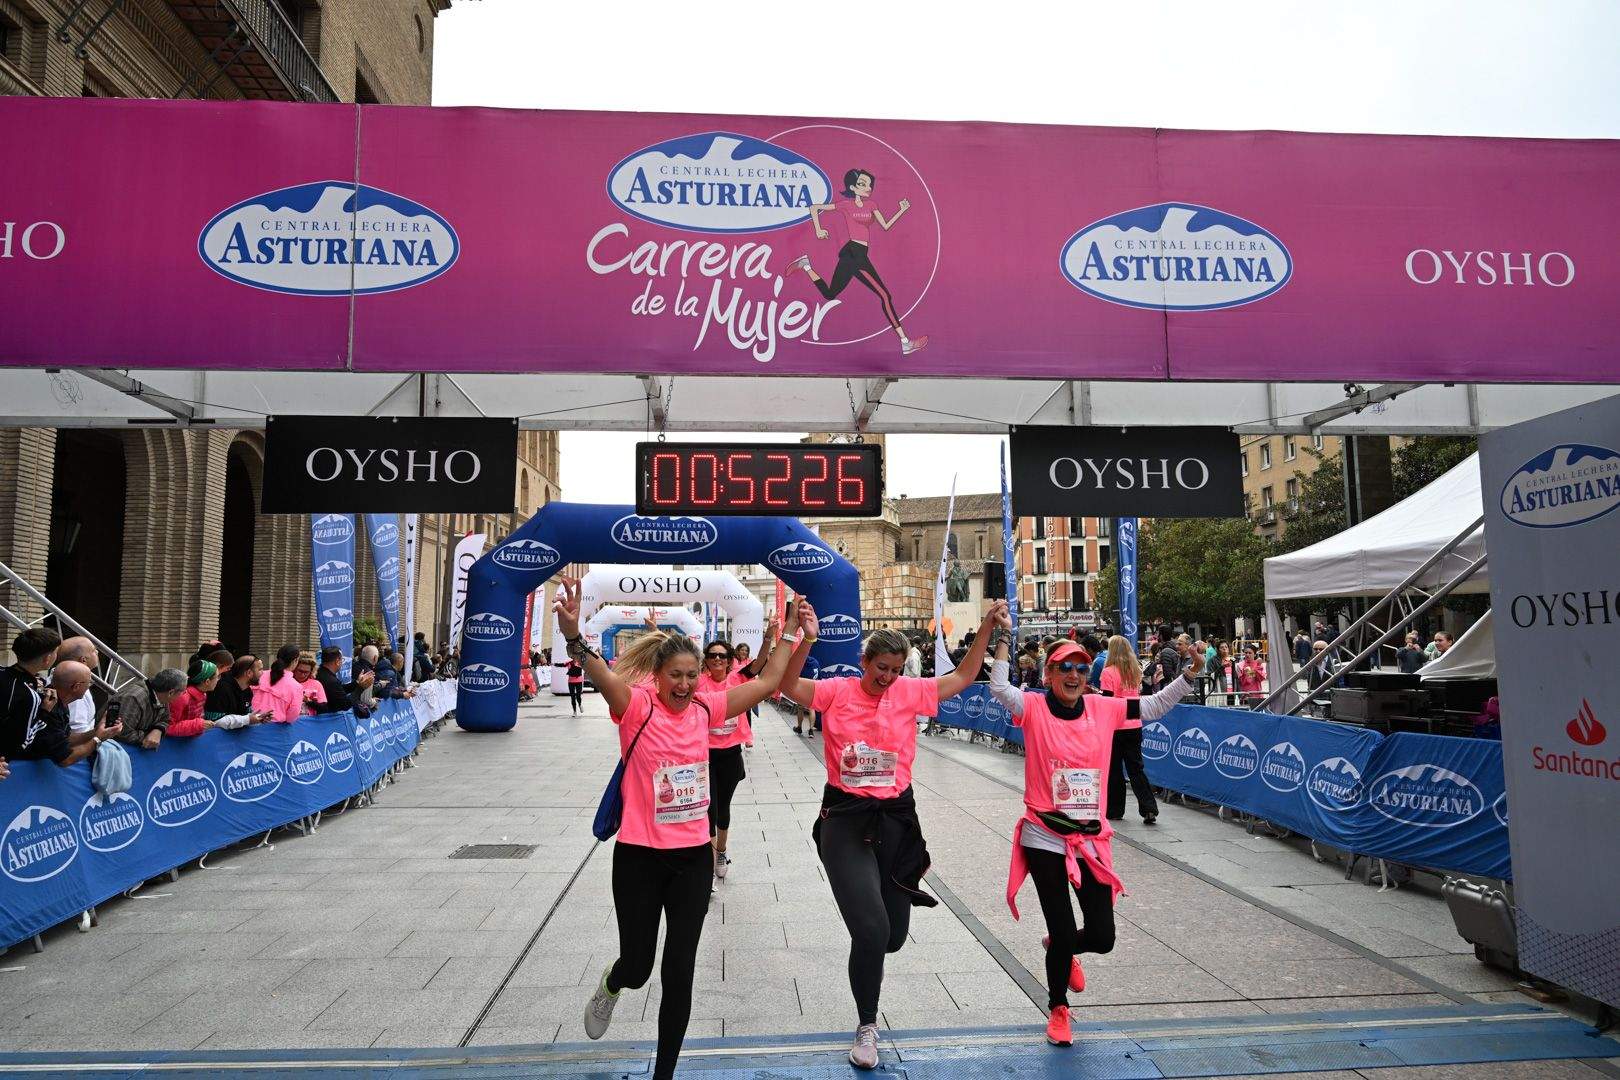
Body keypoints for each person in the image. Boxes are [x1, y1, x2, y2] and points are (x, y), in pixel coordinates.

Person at [560, 579, 813, 1080]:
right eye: (675, 675)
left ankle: (665, 1074)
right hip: (638, 857)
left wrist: (789, 632)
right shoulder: (635, 705)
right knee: (639, 966)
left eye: (692, 676)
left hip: (693, 858)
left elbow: (768, 683)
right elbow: (599, 671)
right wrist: (573, 635)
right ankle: (612, 983)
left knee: (679, 971)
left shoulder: (706, 707)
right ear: (656, 675)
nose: (684, 685)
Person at [778, 603, 1004, 1070]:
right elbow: (788, 686)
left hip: (896, 820)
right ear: (865, 661)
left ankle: (867, 948)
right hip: (845, 819)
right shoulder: (837, 691)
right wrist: (806, 638)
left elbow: (964, 676)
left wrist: (985, 626)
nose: (888, 677)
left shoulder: (909, 692)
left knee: (893, 938)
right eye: (881, 667)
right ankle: (867, 1026)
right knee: (872, 928)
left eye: (896, 670)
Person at [989, 614, 1201, 1046]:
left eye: (1081, 668)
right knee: (1065, 928)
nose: (1074, 675)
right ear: (1049, 675)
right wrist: (1005, 638)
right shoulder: (1033, 707)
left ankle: (1059, 946)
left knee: (1102, 937)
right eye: (1064, 668)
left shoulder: (1104, 708)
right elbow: (998, 688)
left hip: (1090, 838)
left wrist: (1189, 675)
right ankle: (1058, 1008)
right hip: (1045, 834)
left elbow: (1152, 706)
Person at [785, 167, 928, 356]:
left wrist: (901, 210)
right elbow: (814, 208)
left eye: (869, 185)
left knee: (830, 294)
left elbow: (885, 226)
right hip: (854, 253)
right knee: (885, 296)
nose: (868, 188)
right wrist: (818, 229)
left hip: (857, 255)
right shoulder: (846, 205)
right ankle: (905, 342)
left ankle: (806, 266)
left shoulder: (872, 205)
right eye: (862, 184)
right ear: (852, 187)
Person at [699, 629, 777, 882]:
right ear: (706, 659)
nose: (717, 659)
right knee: (709, 810)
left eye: (722, 656)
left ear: (729, 660)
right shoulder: (698, 682)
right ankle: (709, 865)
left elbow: (760, 663)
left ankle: (721, 852)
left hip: (731, 754)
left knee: (723, 808)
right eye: (712, 655)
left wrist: (768, 638)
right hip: (705, 754)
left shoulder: (738, 678)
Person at [1098, 636, 1158, 824]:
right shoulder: (1135, 671)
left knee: (1114, 769)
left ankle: (1115, 810)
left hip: (1115, 725)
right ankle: (1149, 808)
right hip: (1134, 723)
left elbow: (1107, 700)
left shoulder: (1108, 672)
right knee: (1136, 769)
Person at [168, 659, 258, 736]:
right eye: (217, 677)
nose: (219, 680)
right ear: (207, 681)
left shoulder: (203, 694)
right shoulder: (182, 698)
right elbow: (169, 727)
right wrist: (199, 724)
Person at [113, 668, 188, 750]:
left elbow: (166, 719)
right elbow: (121, 733)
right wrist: (147, 736)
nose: (184, 695)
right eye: (183, 692)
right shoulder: (132, 698)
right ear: (171, 692)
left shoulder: (162, 695)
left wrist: (158, 730)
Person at [54, 636, 101, 734]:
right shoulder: (72, 685)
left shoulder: (69, 676)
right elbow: (77, 730)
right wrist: (99, 735)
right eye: (93, 650)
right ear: (83, 660)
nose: (97, 652)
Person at [256, 645, 307, 723]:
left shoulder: (259, 675)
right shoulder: (296, 687)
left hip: (250, 723)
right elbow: (291, 717)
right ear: (295, 660)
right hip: (275, 727)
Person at [207, 654, 261, 721]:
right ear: (249, 673)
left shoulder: (247, 691)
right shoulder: (221, 689)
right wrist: (247, 719)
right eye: (260, 669)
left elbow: (247, 715)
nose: (263, 673)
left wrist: (258, 718)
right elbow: (214, 721)